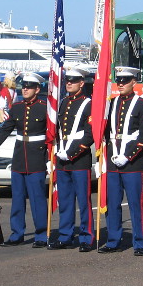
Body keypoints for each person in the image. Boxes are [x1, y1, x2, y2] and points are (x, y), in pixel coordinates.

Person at [0, 72, 49, 248]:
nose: (25, 89)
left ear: (37, 89)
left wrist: (50, 158)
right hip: (20, 157)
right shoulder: (17, 107)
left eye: (29, 87)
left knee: (37, 199)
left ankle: (41, 234)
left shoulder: (45, 107)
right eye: (23, 86)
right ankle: (17, 233)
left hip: (36, 157)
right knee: (17, 198)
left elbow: (52, 135)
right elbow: (6, 129)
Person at [98, 66, 143, 256]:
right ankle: (113, 240)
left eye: (125, 81)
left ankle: (139, 242)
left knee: (135, 204)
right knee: (112, 203)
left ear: (134, 82)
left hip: (132, 162)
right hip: (113, 160)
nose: (120, 84)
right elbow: (105, 131)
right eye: (118, 81)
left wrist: (128, 155)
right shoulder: (112, 103)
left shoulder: (142, 104)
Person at [48, 67, 94, 252]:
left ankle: (86, 237)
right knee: (65, 201)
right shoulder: (63, 103)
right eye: (67, 80)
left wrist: (72, 152)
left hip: (79, 159)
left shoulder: (88, 104)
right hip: (62, 159)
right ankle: (65, 235)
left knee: (83, 201)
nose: (69, 83)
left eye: (73, 81)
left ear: (81, 83)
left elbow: (90, 134)